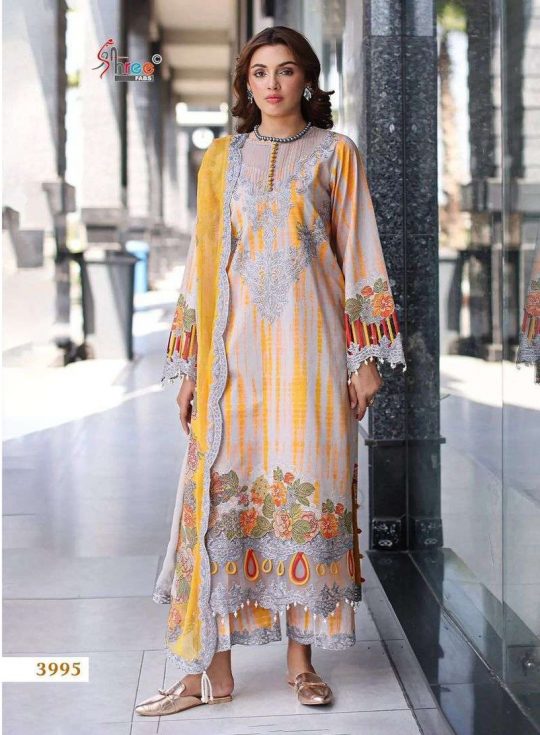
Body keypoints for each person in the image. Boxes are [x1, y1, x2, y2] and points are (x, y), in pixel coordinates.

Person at [135, 25, 406, 717]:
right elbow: (201, 268)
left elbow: (361, 251)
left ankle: (301, 663)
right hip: (235, 362)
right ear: (245, 84)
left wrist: (366, 356)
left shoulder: (336, 154)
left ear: (306, 78)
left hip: (312, 356)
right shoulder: (221, 160)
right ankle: (211, 671)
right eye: (260, 72)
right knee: (219, 496)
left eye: (285, 70)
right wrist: (191, 365)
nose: (273, 84)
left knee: (310, 487)